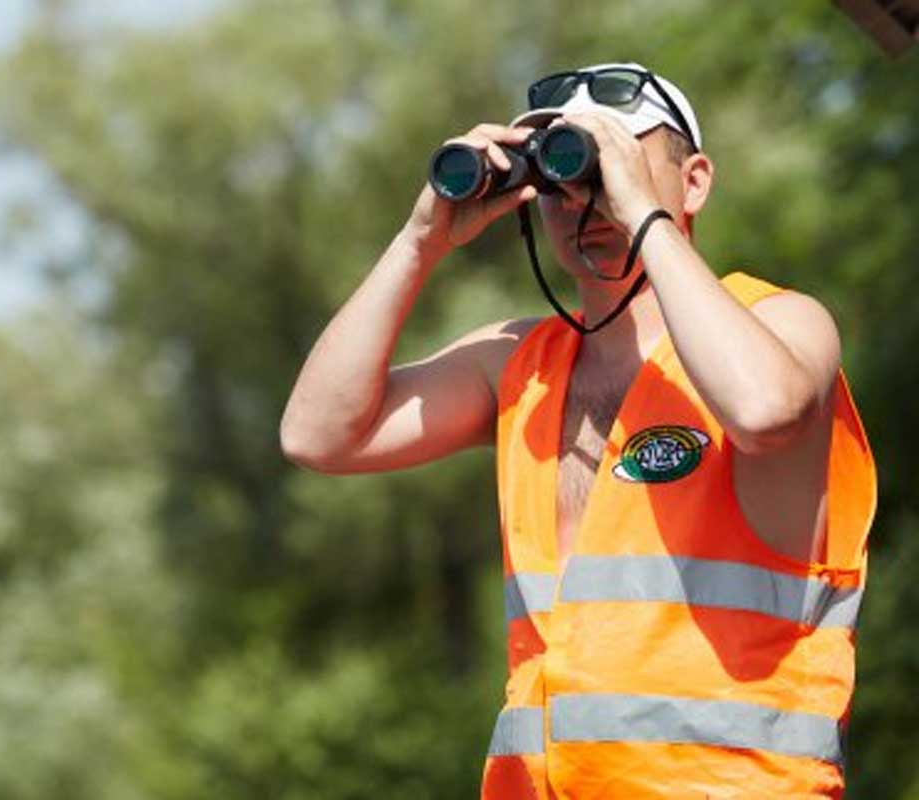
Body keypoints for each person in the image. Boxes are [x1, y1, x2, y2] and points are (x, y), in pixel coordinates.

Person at [278, 63, 876, 798]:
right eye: (561, 173)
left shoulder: (781, 324)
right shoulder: (519, 365)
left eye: (610, 160)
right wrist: (419, 241)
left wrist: (642, 216)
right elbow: (319, 434)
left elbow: (761, 411)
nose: (582, 199)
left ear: (694, 182)